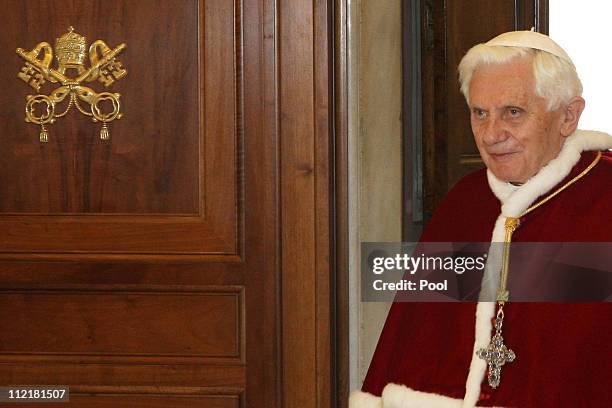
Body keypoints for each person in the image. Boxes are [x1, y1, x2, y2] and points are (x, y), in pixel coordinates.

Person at [350, 31, 612, 407]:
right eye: (480, 113)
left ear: (568, 116)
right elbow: (409, 337)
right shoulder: (465, 201)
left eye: (513, 112)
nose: (491, 134)